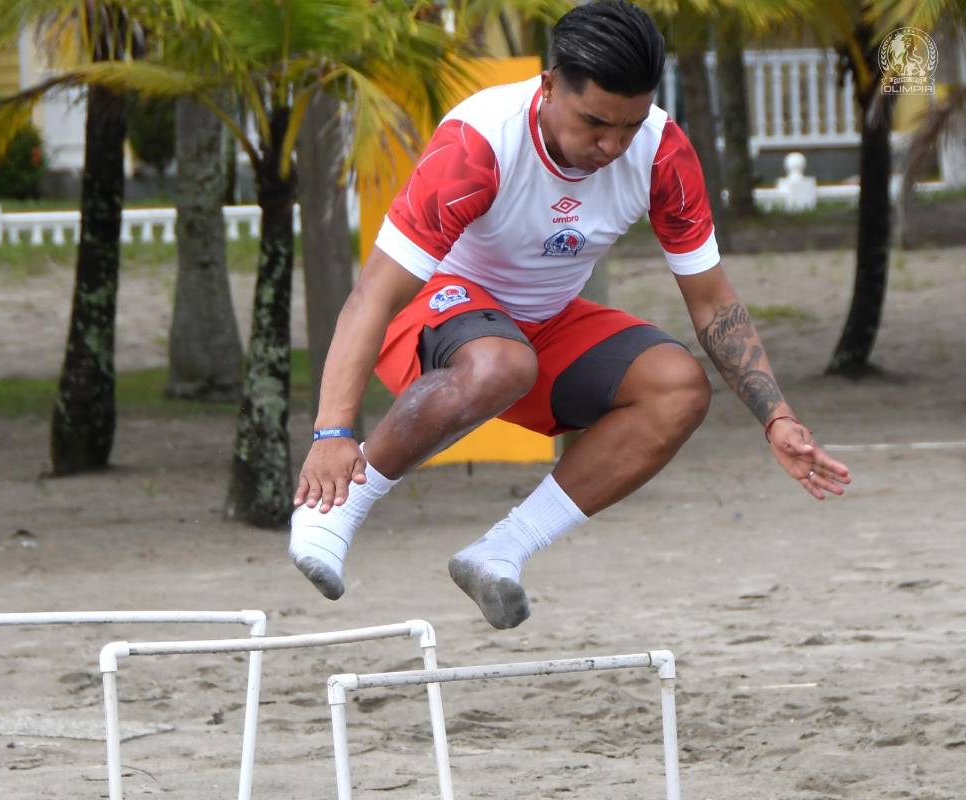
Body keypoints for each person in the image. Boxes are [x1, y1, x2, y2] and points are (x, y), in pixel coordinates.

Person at [288, 0, 852, 630]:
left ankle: (499, 551)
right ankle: (334, 506)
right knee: (502, 361)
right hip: (432, 310)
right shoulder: (480, 143)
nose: (611, 147)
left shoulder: (662, 152)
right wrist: (332, 433)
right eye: (594, 124)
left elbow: (714, 301)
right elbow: (374, 294)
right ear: (550, 84)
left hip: (541, 326)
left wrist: (776, 416)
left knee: (678, 388)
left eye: (628, 127)